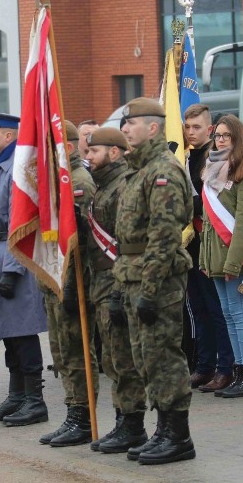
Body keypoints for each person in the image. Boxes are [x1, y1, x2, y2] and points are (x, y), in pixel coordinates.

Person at [115, 98, 195, 465]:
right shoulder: (138, 170)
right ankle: (163, 429)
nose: (125, 130)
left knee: (165, 356)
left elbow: (164, 235)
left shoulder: (163, 170)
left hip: (158, 279)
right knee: (146, 358)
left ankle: (178, 436)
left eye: (131, 124)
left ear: (153, 128)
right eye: (124, 124)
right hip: (134, 276)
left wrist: (148, 290)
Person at [0, 110, 49, 427]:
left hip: (11, 255)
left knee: (22, 334)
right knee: (7, 334)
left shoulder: (17, 169)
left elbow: (23, 222)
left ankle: (35, 400)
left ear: (8, 135)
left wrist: (12, 269)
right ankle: (17, 397)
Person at [82, 127, 149, 453]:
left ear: (114, 152)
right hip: (102, 282)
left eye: (94, 151)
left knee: (124, 359)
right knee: (111, 357)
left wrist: (122, 291)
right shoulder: (101, 186)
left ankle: (133, 424)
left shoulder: (122, 186)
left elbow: (128, 241)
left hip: (117, 282)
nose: (88, 156)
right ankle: (123, 420)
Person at [200, 114, 243, 399]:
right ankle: (238, 373)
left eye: (227, 135)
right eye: (217, 135)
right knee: (228, 314)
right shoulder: (214, 168)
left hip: (234, 255)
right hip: (214, 254)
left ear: (238, 137)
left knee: (239, 314)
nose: (221, 140)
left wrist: (232, 261)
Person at [38, 120, 99, 447]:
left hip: (75, 281)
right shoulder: (57, 183)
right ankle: (73, 412)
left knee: (77, 351)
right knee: (63, 352)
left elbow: (84, 242)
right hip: (57, 281)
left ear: (69, 148)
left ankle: (83, 416)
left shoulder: (78, 182)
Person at [182, 104, 235, 393]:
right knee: (198, 308)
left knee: (218, 309)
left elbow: (215, 202)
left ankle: (224, 368)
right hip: (189, 243)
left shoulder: (216, 159)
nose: (191, 132)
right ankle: (204, 366)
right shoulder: (184, 157)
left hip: (211, 241)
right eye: (187, 127)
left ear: (210, 129)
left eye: (197, 127)